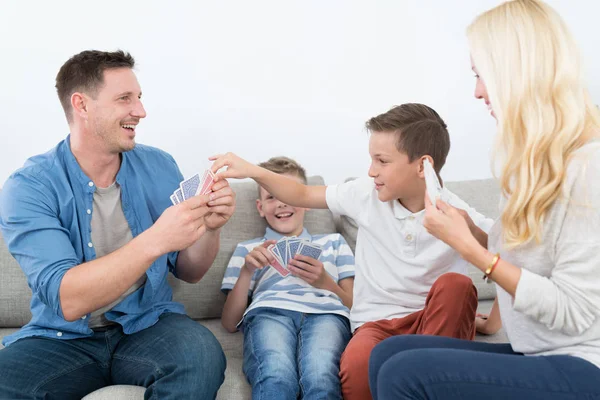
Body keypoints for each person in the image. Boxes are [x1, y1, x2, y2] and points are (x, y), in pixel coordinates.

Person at [368, 1, 600, 399]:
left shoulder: (588, 168)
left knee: (406, 373)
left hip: (583, 364)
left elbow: (574, 310)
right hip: (541, 352)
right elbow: (526, 261)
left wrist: (470, 250)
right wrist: (473, 231)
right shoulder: (532, 163)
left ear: (516, 73)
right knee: (387, 354)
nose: (477, 92)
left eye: (481, 75)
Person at [209, 103, 494, 400]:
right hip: (377, 325)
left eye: (382, 161)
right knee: (356, 369)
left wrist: (468, 235)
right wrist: (252, 171)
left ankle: (427, 378)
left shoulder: (457, 213)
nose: (371, 171)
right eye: (371, 159)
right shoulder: (364, 195)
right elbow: (303, 193)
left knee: (456, 286)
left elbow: (513, 257)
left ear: (422, 166)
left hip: (431, 325)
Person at [0, 50, 235, 399]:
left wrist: (211, 228)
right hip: (62, 338)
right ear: (81, 105)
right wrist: (156, 239)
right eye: (125, 99)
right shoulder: (30, 186)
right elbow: (68, 299)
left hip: (149, 325)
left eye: (138, 98)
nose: (140, 111)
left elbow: (190, 271)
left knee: (200, 357)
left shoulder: (159, 165)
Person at [220, 156, 355, 400]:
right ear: (260, 208)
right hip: (271, 312)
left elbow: (354, 306)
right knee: (276, 374)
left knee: (321, 376)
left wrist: (324, 281)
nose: (281, 203)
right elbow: (229, 323)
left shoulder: (334, 243)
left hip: (326, 314)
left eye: (289, 195)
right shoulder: (248, 249)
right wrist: (247, 271)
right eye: (271, 196)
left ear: (307, 202)